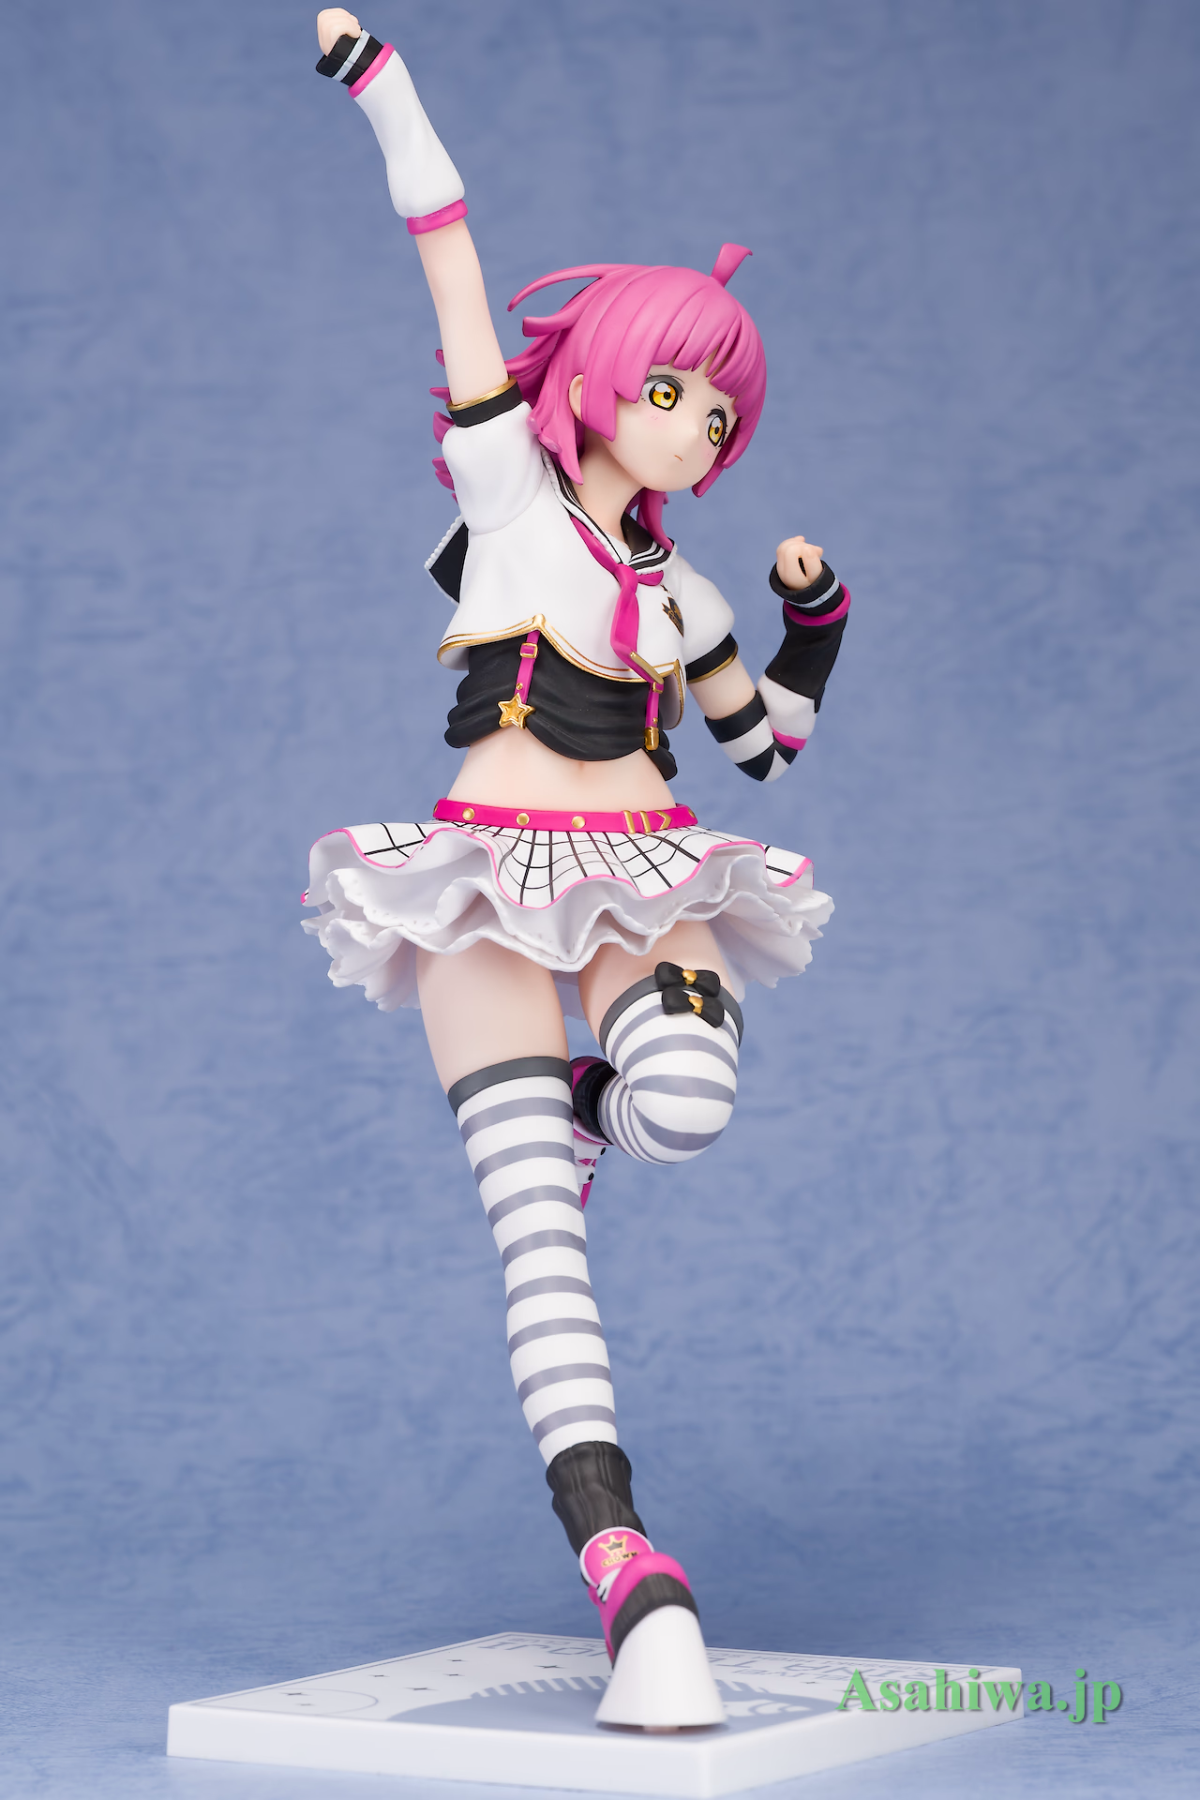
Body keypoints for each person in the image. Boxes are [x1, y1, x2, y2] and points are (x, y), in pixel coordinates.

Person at [304, 9, 851, 1729]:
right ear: (606, 381)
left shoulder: (687, 597)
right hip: (477, 880)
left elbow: (767, 747)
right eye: (671, 389)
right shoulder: (508, 497)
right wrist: (384, 85)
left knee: (682, 1102)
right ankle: (626, 1566)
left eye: (719, 406)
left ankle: (592, 1101)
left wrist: (818, 624)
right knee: (537, 1235)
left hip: (644, 874)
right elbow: (448, 251)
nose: (695, 424)